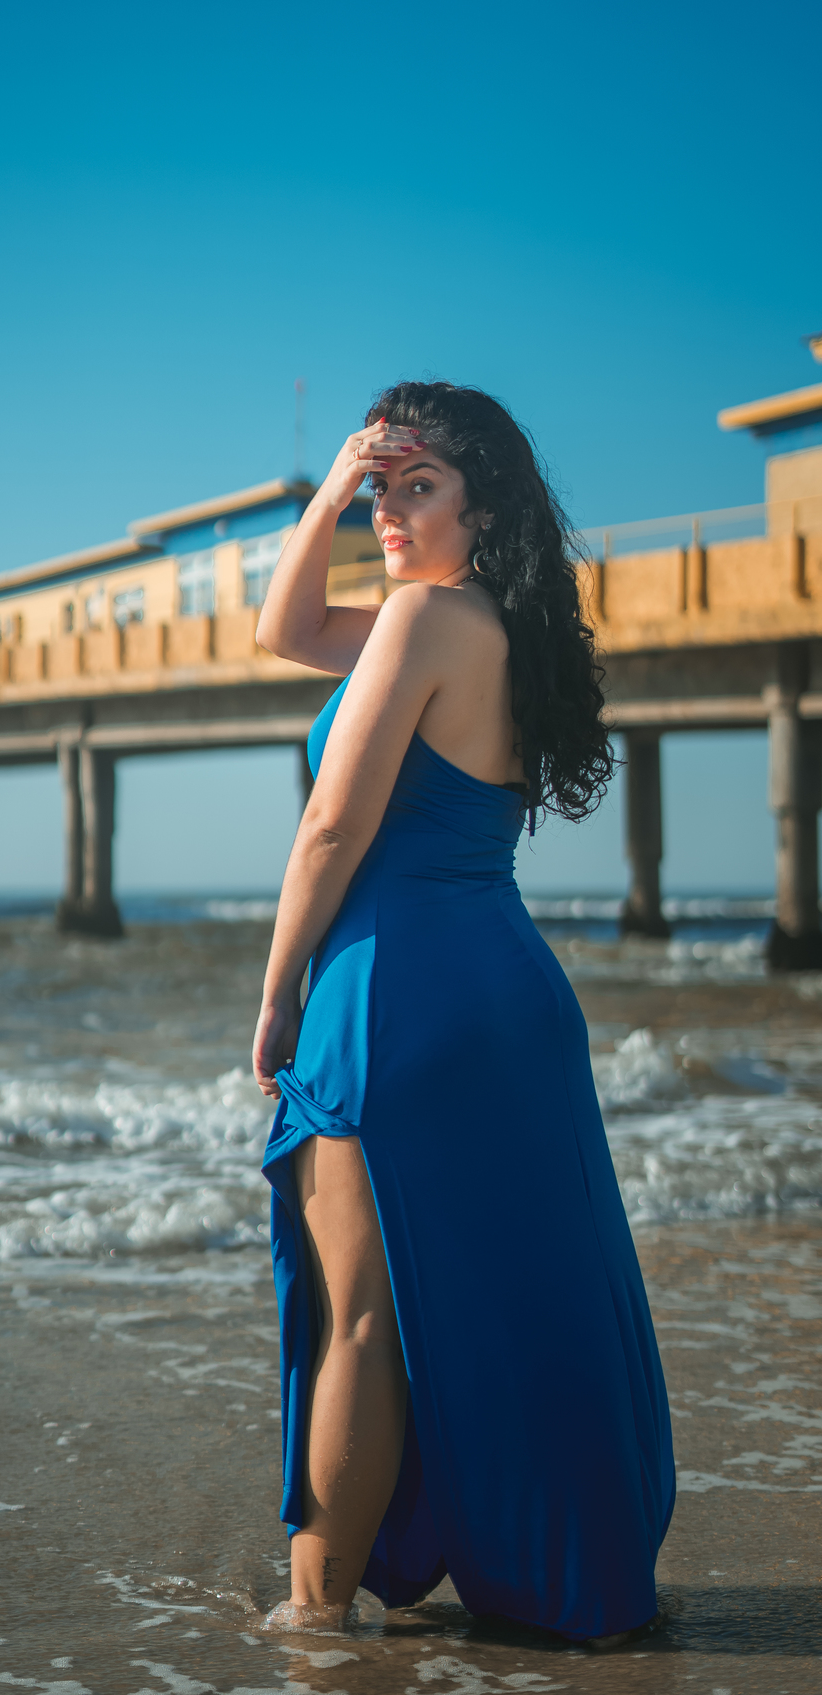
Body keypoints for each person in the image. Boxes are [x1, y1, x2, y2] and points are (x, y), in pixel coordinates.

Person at [251, 381, 675, 1645]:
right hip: (506, 995)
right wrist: (333, 489)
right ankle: (551, 1557)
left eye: (415, 484)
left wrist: (278, 994)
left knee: (364, 1315)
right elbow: (286, 630)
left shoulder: (424, 620)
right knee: (513, 1292)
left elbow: (334, 824)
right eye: (380, 486)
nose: (387, 507)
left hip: (399, 995)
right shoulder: (495, 630)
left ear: (484, 509)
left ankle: (316, 1614)